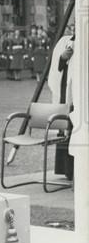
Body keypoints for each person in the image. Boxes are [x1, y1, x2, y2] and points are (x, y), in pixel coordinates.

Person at [47, 26, 75, 180]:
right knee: (66, 128)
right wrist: (63, 58)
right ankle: (66, 169)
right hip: (67, 93)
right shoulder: (65, 41)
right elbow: (57, 66)